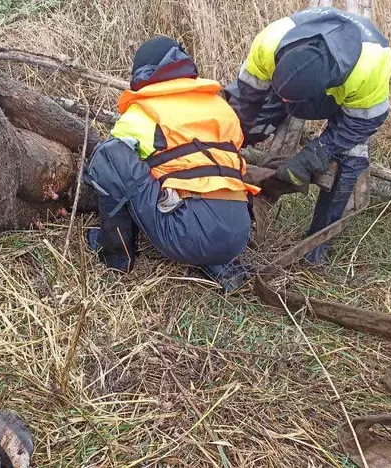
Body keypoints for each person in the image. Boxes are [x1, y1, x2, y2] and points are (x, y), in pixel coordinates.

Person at [84, 35, 261, 293]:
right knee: (201, 175)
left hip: (186, 234)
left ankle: (117, 256)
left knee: (109, 156)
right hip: (238, 232)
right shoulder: (220, 107)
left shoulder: (142, 113)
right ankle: (220, 264)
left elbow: (118, 173)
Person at [224, 6, 391, 263]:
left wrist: (316, 153)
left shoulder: (370, 65)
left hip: (346, 108)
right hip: (286, 87)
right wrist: (232, 139)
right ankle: (231, 200)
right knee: (236, 125)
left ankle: (314, 249)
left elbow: (359, 124)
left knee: (349, 163)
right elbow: (246, 97)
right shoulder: (270, 42)